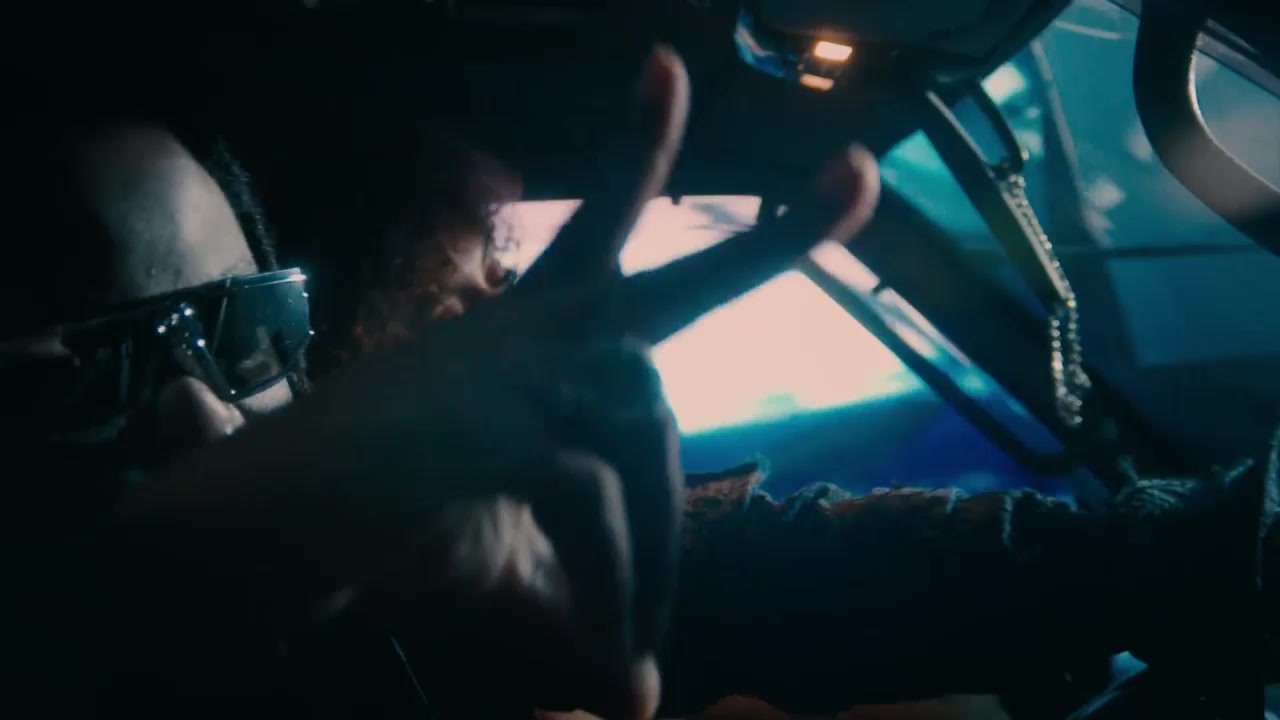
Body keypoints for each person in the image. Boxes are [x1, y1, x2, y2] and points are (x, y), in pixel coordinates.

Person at [225, 64, 1280, 720]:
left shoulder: (534, 560)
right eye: (463, 296)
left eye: (500, 285)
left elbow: (802, 566)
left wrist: (1171, 554)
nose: (508, 332)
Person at [3, 46, 888, 718]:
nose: (204, 419)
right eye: (67, 384)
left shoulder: (478, 564)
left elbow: (764, 560)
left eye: (246, 332)